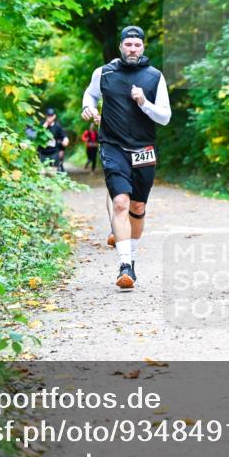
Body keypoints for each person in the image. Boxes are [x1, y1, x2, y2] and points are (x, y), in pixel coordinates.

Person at [81, 25, 171, 289]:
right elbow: (90, 94)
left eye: (137, 45)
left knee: (137, 208)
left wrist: (144, 103)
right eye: (128, 44)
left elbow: (165, 118)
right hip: (113, 145)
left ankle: (131, 257)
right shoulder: (104, 72)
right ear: (121, 46)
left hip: (143, 149)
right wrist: (88, 106)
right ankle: (125, 265)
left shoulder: (155, 77)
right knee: (120, 202)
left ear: (143, 47)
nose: (132, 49)